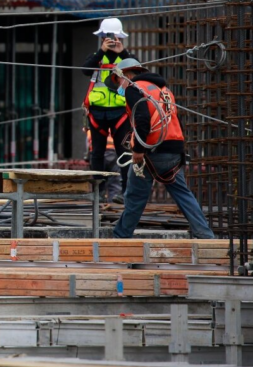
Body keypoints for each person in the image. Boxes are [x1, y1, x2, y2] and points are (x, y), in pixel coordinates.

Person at [107, 59, 215, 239]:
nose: (120, 86)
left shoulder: (135, 89)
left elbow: (142, 119)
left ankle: (121, 236)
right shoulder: (164, 90)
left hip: (150, 152)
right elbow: (174, 120)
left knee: (135, 196)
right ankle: (205, 234)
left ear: (126, 75)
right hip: (173, 149)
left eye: (119, 81)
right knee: (183, 194)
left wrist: (139, 150)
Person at [82, 18, 135, 203]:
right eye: (107, 37)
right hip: (98, 113)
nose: (111, 40)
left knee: (124, 153)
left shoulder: (126, 58)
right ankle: (98, 193)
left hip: (120, 112)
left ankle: (126, 193)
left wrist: (124, 52)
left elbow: (139, 72)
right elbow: (85, 70)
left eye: (114, 37)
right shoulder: (97, 57)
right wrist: (101, 51)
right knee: (97, 153)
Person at [85, 129, 122, 203]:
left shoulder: (91, 130)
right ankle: (112, 205)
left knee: (98, 183)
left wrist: (88, 158)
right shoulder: (116, 128)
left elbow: (88, 146)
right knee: (114, 183)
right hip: (114, 154)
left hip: (98, 156)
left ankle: (98, 204)